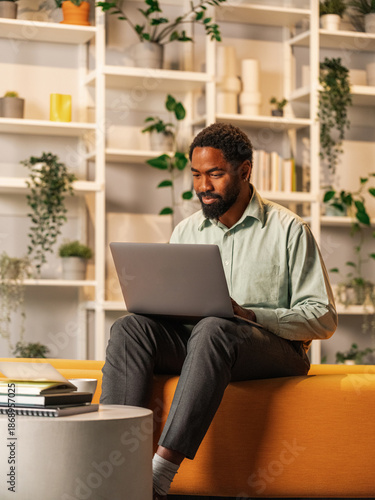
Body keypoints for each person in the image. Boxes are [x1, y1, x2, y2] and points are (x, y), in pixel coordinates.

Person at [100, 123, 337, 500]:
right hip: (206, 343)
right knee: (131, 327)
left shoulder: (289, 229)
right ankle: (112, 464)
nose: (203, 185)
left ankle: (160, 474)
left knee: (215, 327)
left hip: (276, 351)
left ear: (244, 171)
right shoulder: (187, 231)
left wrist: (250, 315)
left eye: (215, 174)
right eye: (196, 174)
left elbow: (323, 318)